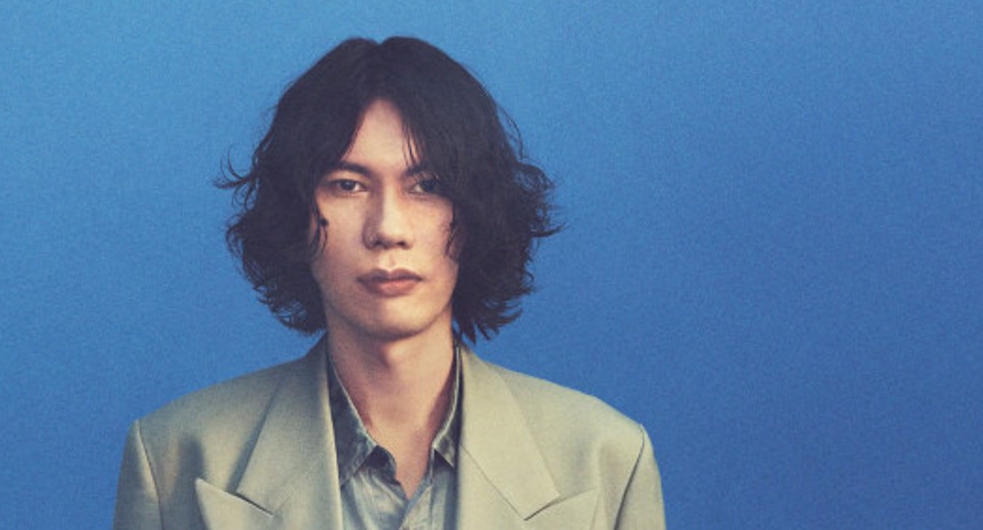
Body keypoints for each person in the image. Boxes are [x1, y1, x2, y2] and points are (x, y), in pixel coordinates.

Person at [113, 37, 665, 529]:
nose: (388, 229)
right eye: (347, 185)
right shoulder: (176, 461)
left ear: (477, 212)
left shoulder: (604, 460)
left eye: (427, 186)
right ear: (294, 215)